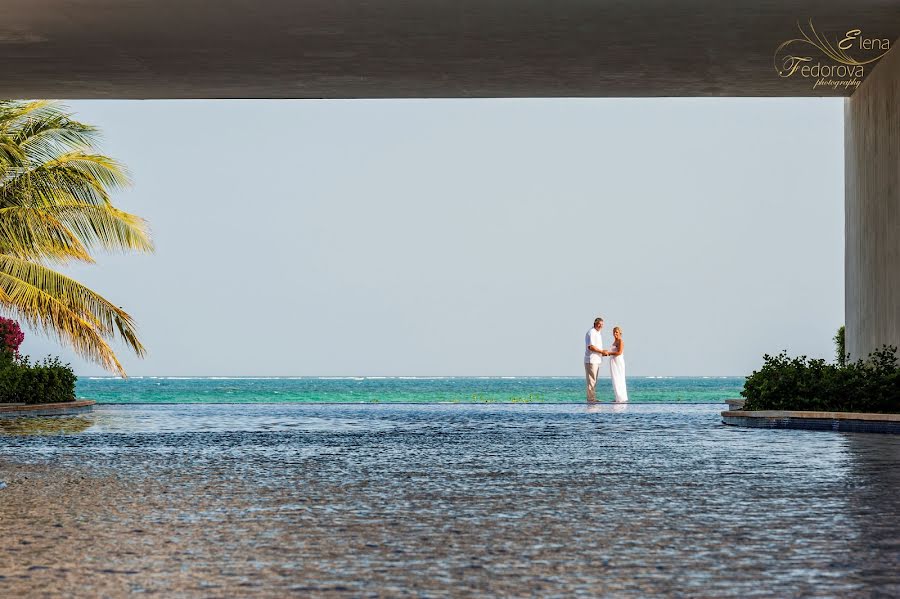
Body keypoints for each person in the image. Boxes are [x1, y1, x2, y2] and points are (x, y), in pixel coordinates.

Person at [583, 317, 604, 403]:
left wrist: (602, 353)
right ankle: (591, 399)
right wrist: (602, 351)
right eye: (599, 324)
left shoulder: (597, 333)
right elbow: (591, 347)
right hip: (591, 360)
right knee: (591, 381)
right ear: (595, 324)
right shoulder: (591, 332)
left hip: (596, 360)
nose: (601, 326)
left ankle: (592, 398)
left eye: (602, 325)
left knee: (593, 381)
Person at [606, 326, 628, 403]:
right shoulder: (614, 342)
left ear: (620, 333)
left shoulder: (620, 341)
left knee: (619, 379)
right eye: (614, 332)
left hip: (618, 362)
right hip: (613, 362)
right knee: (615, 379)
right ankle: (617, 397)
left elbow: (619, 352)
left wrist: (609, 353)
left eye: (617, 332)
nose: (615, 333)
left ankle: (621, 398)